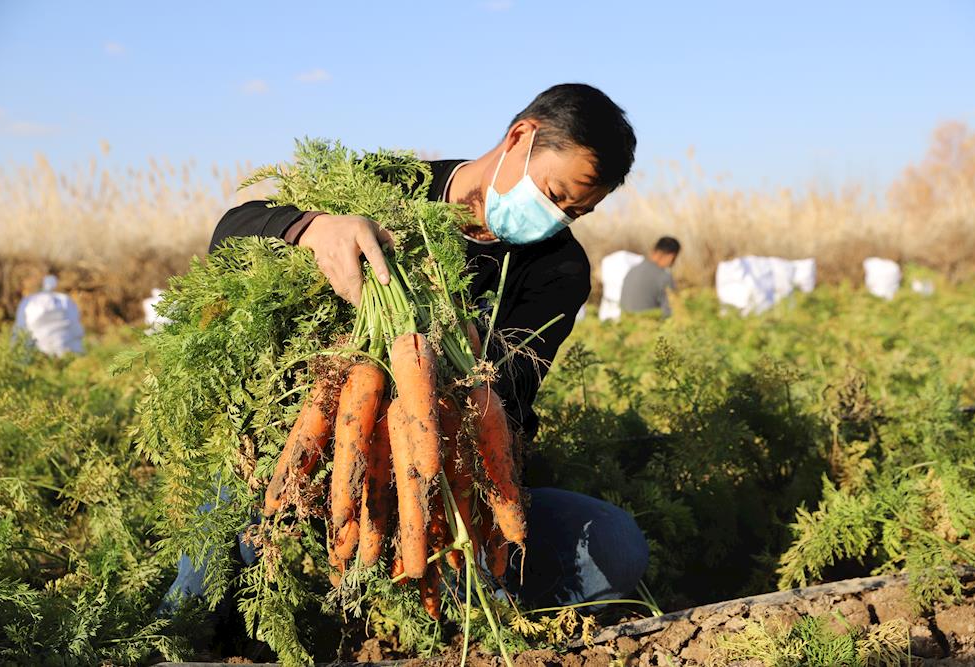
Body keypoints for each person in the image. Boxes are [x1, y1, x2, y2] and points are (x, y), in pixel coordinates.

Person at [167, 83, 648, 612]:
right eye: (556, 195)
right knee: (231, 535)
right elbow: (230, 237)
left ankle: (450, 595)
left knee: (613, 546)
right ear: (520, 137)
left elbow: (506, 399)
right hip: (306, 454)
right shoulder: (390, 187)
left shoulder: (559, 270)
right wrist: (311, 228)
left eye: (575, 213)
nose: (556, 218)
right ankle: (201, 623)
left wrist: (439, 376)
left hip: (446, 482)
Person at [619, 236, 680, 317]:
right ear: (671, 257)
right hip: (648, 326)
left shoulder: (632, 270)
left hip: (625, 324)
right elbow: (671, 313)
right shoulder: (664, 277)